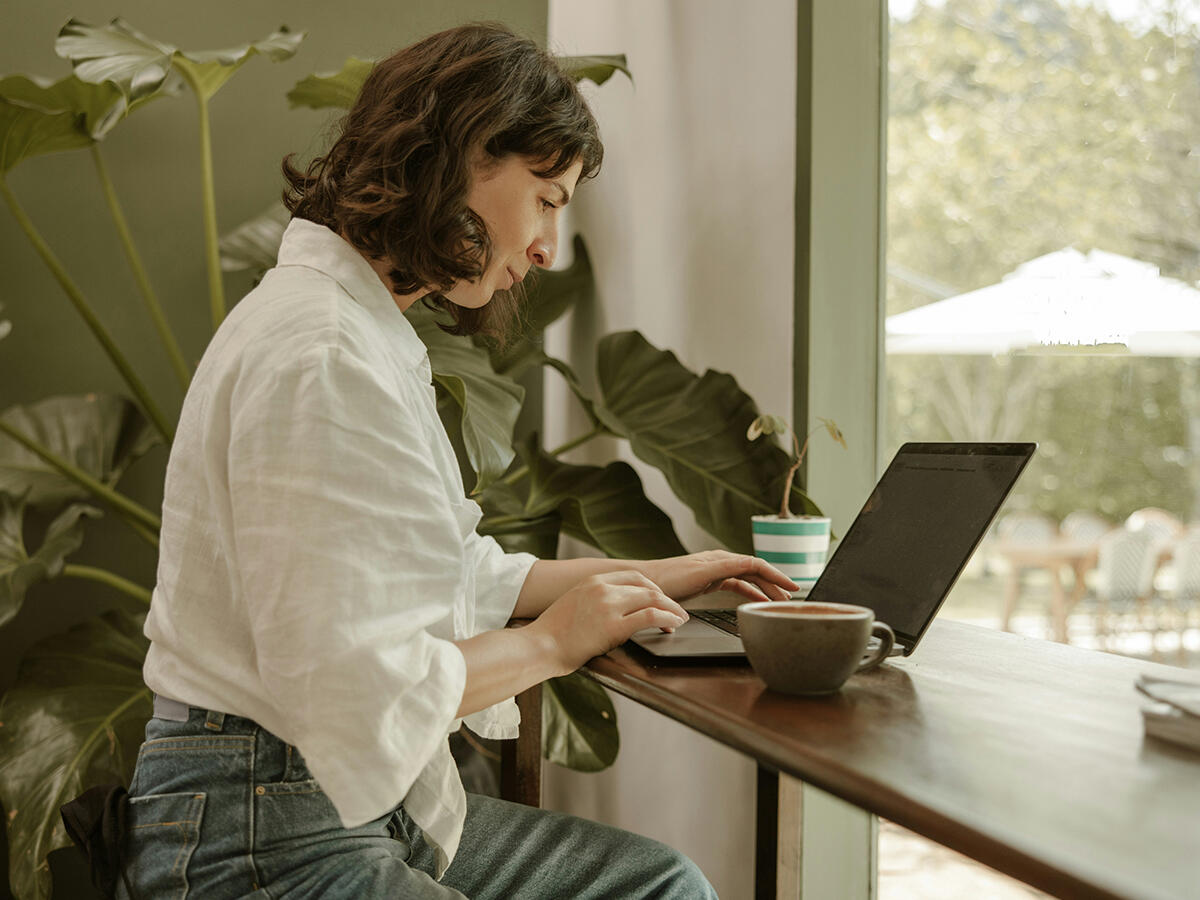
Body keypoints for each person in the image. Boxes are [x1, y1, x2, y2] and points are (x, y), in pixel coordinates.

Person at [123, 22, 797, 899]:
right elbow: (355, 693)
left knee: (656, 883)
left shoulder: (355, 329)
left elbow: (448, 569)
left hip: (304, 798)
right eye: (548, 197)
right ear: (463, 156)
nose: (549, 247)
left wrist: (655, 573)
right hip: (261, 831)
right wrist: (555, 643)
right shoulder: (324, 351)